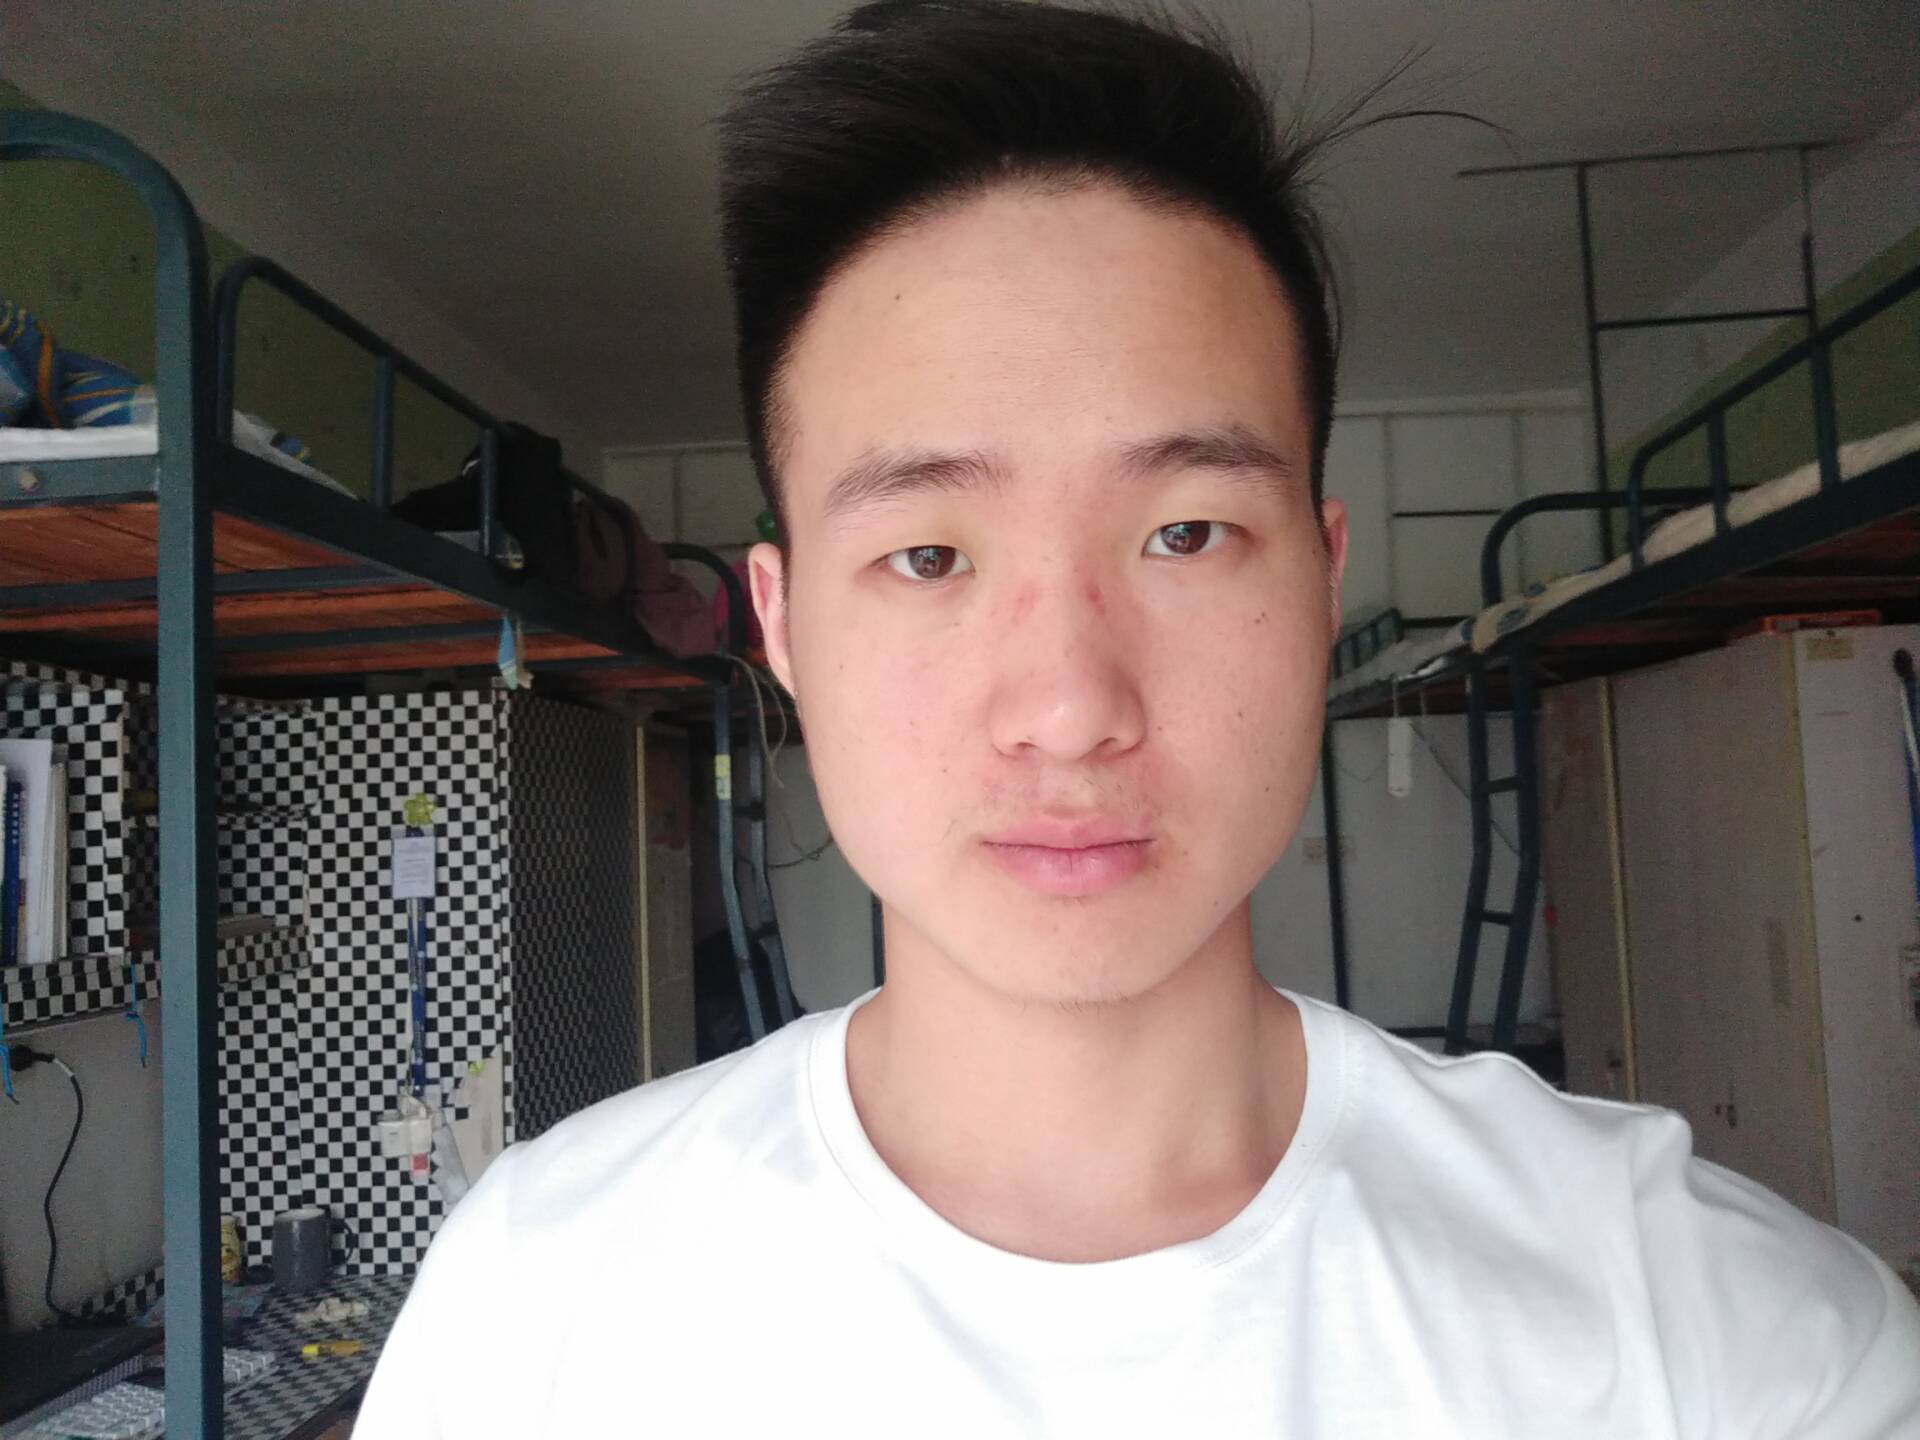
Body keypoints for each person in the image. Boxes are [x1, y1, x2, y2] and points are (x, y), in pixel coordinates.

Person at [355, 3, 1920, 1433]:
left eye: (1185, 533)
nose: (1068, 708)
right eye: (928, 555)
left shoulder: (1717, 1334)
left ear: (1322, 581)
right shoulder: (538, 1302)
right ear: (781, 626)